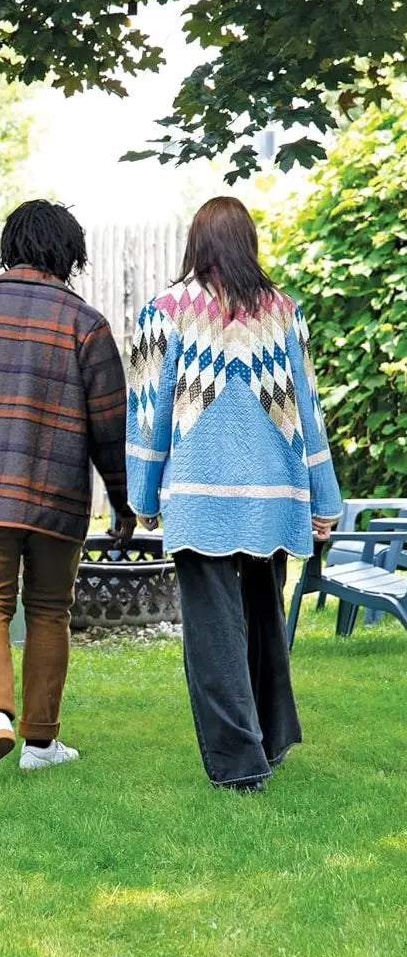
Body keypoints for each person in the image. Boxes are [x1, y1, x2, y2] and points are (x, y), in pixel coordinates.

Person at [0, 199, 136, 789]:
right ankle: (40, 739)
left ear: (10, 246)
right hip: (57, 496)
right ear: (70, 254)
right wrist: (123, 500)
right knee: (49, 610)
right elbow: (110, 424)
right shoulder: (85, 323)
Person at [126, 196, 342, 792]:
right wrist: (325, 499)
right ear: (248, 243)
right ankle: (269, 743)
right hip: (273, 497)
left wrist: (143, 497)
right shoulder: (286, 314)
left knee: (215, 633)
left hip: (199, 499)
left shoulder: (163, 314)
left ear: (196, 244)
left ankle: (239, 765)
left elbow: (147, 415)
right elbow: (309, 412)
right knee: (263, 622)